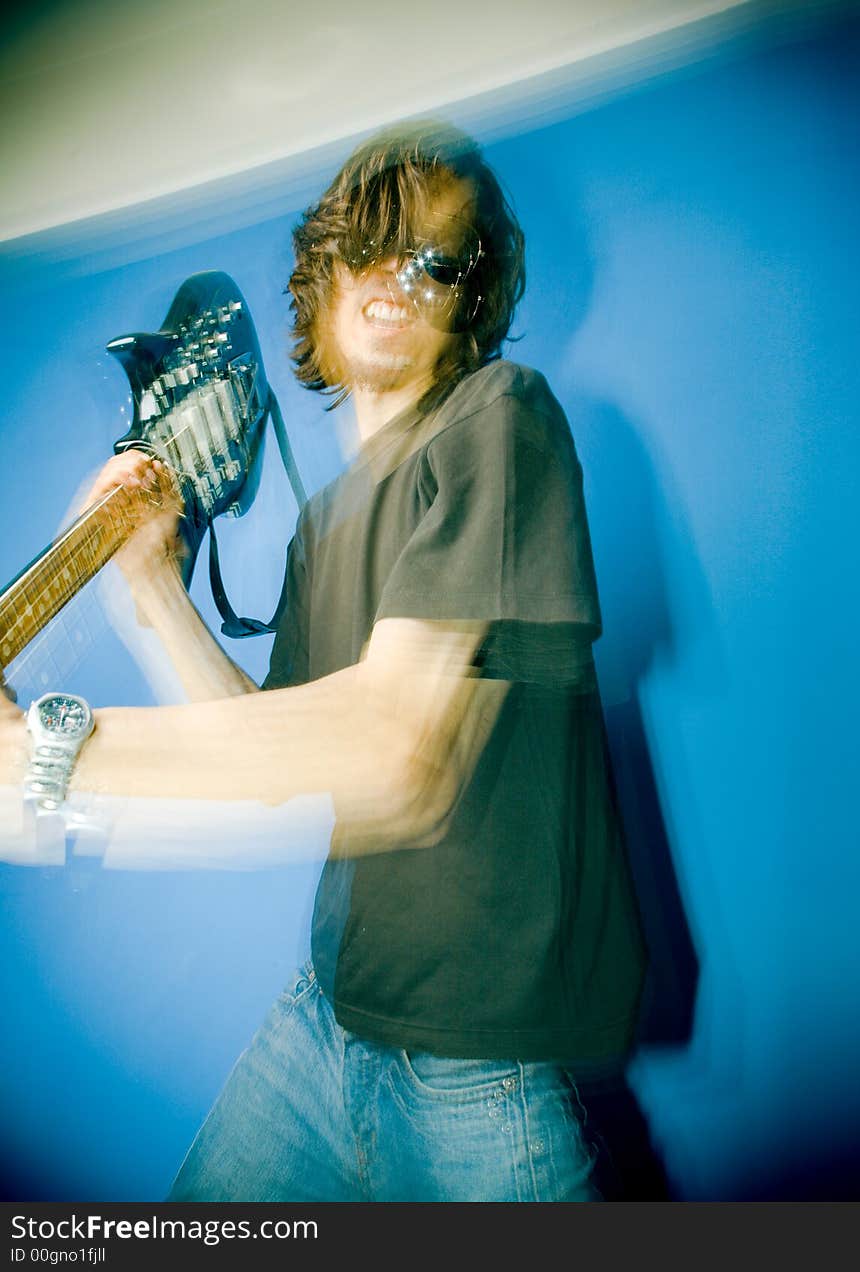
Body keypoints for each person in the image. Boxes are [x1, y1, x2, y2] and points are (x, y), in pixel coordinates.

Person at [0, 121, 647, 1201]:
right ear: (323, 269)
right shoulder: (325, 526)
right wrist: (151, 593)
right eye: (374, 241)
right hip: (321, 1024)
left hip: (473, 1081)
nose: (400, 274)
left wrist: (50, 760)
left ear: (468, 300)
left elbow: (394, 759)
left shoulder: (499, 422)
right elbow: (282, 764)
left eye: (437, 259)